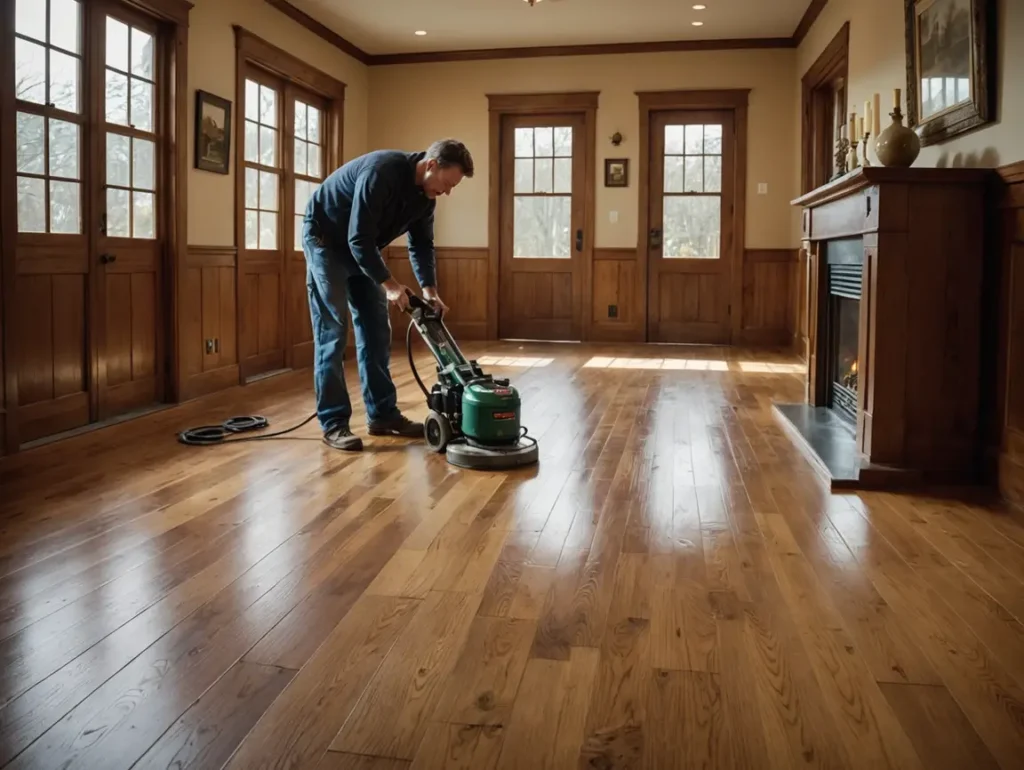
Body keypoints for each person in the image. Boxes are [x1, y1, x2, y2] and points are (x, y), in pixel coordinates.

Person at [301, 139, 474, 451]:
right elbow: (358, 237)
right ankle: (334, 423)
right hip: (326, 241)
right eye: (447, 184)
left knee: (377, 330)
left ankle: (383, 415)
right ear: (431, 165)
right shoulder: (382, 172)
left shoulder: (426, 199)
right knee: (333, 333)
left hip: (362, 249)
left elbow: (421, 245)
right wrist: (391, 285)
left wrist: (429, 290)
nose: (447, 192)